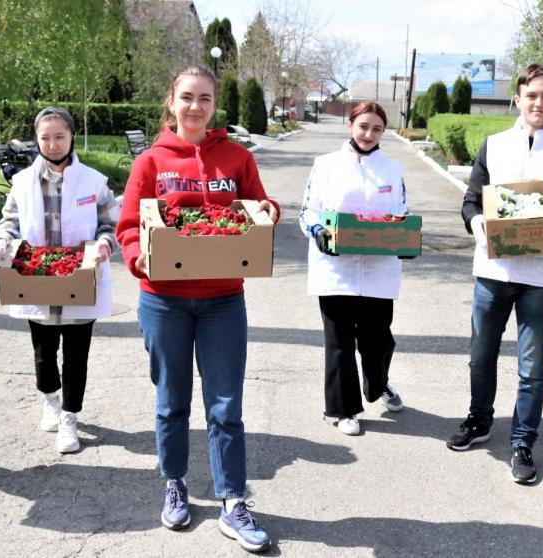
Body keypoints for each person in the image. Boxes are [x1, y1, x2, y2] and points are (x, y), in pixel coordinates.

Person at [115, 65, 279, 552]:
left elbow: (259, 206)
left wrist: (269, 210)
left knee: (226, 405)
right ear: (172, 102)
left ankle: (232, 500)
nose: (195, 107)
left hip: (224, 299)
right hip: (163, 299)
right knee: (171, 401)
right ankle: (175, 482)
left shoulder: (236, 157)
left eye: (204, 98)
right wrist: (136, 256)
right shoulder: (150, 162)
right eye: (187, 97)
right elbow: (129, 224)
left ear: (214, 105)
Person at [449, 64, 543, 484]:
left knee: (532, 366)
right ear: (518, 98)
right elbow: (472, 202)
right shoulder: (493, 145)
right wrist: (479, 227)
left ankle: (522, 442)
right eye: (531, 95)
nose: (538, 103)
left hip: (541, 278)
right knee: (481, 355)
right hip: (492, 271)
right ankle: (479, 421)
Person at [0, 107, 117, 454]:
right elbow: (9, 221)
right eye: (45, 137)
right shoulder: (23, 181)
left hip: (79, 276)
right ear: (37, 140)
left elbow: (109, 224)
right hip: (37, 278)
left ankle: (70, 418)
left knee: (76, 355)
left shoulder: (93, 182)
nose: (53, 144)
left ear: (71, 136)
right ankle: (50, 399)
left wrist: (105, 244)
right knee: (44, 354)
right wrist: (1, 240)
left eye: (60, 136)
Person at [298, 101, 408, 437]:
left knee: (378, 342)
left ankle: (379, 384)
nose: (369, 134)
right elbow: (308, 212)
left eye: (376, 129)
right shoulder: (326, 165)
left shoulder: (393, 170)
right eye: (363, 126)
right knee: (340, 343)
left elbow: (402, 212)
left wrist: (404, 238)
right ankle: (345, 409)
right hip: (335, 271)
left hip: (378, 270)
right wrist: (316, 232)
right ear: (350, 126)